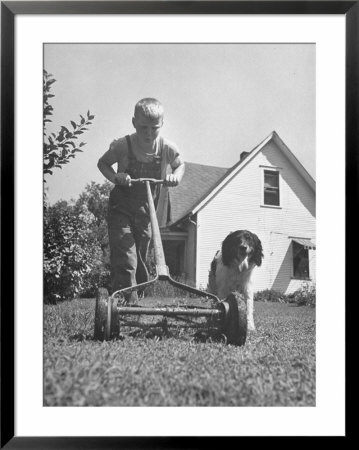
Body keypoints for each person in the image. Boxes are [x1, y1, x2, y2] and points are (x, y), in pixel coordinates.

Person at [98, 98, 185, 303]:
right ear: (133, 122)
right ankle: (128, 301)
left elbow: (180, 165)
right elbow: (103, 164)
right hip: (121, 208)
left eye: (154, 128)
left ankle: (138, 295)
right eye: (143, 127)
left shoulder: (167, 148)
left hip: (147, 212)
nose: (148, 133)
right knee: (126, 255)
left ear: (162, 125)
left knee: (141, 255)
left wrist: (175, 177)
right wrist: (116, 177)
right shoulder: (123, 145)